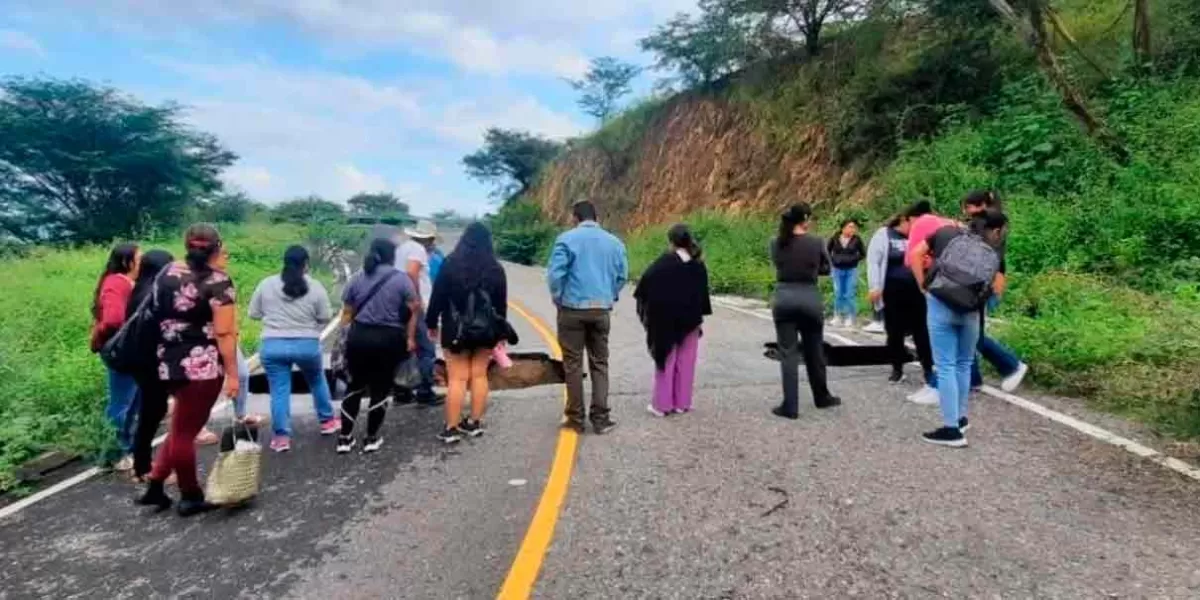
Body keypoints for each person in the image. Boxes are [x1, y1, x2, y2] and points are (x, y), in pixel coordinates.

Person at [137, 224, 239, 516]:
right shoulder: (219, 281)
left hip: (167, 360)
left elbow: (154, 313)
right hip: (202, 365)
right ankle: (190, 494)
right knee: (186, 432)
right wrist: (232, 374)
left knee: (181, 424)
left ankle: (156, 484)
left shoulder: (166, 273)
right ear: (217, 246)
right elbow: (223, 333)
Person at [910, 209, 1009, 448]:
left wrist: (923, 286)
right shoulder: (993, 250)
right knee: (964, 363)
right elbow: (998, 288)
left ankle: (951, 429)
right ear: (994, 230)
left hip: (940, 304)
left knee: (945, 366)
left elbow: (915, 254)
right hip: (971, 311)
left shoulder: (945, 233)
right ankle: (962, 418)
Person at [547, 200, 628, 434]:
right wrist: (609, 296)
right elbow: (622, 275)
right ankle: (601, 419)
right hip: (601, 310)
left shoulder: (566, 239)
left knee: (572, 365)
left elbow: (555, 276)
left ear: (575, 218)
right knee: (600, 363)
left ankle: (575, 419)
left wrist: (558, 298)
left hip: (572, 310)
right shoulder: (614, 242)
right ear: (597, 217)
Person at [249, 245, 338, 452]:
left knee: (279, 391)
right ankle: (327, 422)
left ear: (285, 262)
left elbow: (254, 313)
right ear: (306, 264)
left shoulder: (266, 284)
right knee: (316, 380)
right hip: (306, 344)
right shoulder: (315, 286)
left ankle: (281, 438)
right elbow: (325, 316)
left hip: (273, 346)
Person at [426, 223, 508, 443]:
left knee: (457, 378)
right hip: (485, 331)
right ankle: (474, 423)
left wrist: (431, 323)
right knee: (479, 375)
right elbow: (501, 306)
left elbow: (437, 298)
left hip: (455, 330)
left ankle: (451, 428)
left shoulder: (450, 264)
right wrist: (500, 333)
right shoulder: (496, 269)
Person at [337, 238, 420, 454]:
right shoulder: (402, 280)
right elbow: (413, 311)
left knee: (354, 386)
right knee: (380, 388)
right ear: (392, 257)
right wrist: (410, 338)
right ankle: (371, 438)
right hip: (389, 339)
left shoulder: (357, 278)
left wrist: (343, 338)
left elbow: (347, 313)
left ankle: (344, 439)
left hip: (359, 337)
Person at [770, 203, 841, 420]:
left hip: (784, 297)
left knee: (788, 353)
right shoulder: (816, 242)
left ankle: (790, 406)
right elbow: (827, 268)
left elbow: (778, 265)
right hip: (809, 297)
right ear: (805, 220)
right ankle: (822, 396)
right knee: (814, 350)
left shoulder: (775, 243)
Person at [634, 224, 712, 417]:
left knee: (666, 360)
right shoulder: (698, 264)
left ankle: (662, 405)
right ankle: (682, 403)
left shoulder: (663, 263)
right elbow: (703, 295)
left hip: (666, 322)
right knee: (686, 362)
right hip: (691, 321)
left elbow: (644, 288)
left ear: (671, 241)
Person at [962, 190, 1029, 392]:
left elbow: (995, 259)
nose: (966, 211)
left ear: (982, 205)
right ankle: (972, 379)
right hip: (978, 284)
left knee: (973, 333)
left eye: (968, 206)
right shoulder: (986, 223)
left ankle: (1011, 365)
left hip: (982, 285)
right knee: (970, 331)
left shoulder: (989, 225)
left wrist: (996, 283)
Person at [865, 201, 936, 392]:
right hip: (892, 291)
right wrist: (875, 287)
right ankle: (897, 368)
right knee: (894, 332)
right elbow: (874, 262)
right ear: (905, 219)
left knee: (922, 331)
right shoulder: (884, 234)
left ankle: (928, 368)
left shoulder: (921, 237)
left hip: (917, 291)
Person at [90, 242, 141, 470]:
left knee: (133, 401)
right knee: (122, 402)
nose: (142, 263)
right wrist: (100, 334)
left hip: (130, 350)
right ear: (127, 262)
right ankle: (117, 452)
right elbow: (112, 319)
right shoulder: (116, 283)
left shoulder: (127, 282)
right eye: (138, 259)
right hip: (121, 350)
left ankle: (128, 447)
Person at [903, 205, 959, 405]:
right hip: (966, 290)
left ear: (912, 218)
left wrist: (922, 285)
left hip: (939, 287)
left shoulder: (923, 224)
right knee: (964, 343)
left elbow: (912, 258)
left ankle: (937, 386)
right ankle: (969, 381)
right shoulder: (955, 225)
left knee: (941, 340)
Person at [127, 249, 172, 482]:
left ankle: (141, 464)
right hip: (153, 361)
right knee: (152, 413)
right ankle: (144, 468)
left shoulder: (137, 291)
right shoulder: (153, 294)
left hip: (139, 362)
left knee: (150, 412)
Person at [396, 220, 443, 407]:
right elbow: (412, 273)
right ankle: (424, 391)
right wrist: (416, 299)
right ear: (428, 239)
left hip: (399, 305)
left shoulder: (402, 248)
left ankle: (402, 391)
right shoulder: (418, 250)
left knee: (405, 349)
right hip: (415, 306)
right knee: (426, 350)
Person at [827, 219, 865, 328]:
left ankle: (850, 317)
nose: (852, 229)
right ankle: (837, 316)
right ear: (843, 228)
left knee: (849, 294)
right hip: (837, 269)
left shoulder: (857, 240)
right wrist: (833, 260)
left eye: (853, 227)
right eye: (850, 226)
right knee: (838, 293)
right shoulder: (834, 238)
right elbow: (827, 251)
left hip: (851, 270)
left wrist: (853, 259)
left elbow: (863, 253)